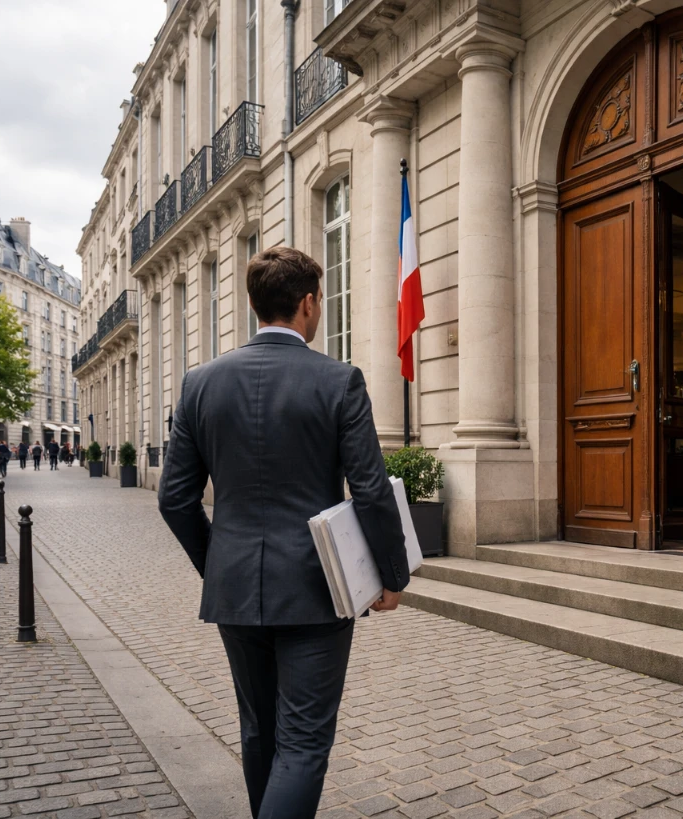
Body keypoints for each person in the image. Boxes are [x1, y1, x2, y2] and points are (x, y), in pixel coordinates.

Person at [158, 246, 408, 819]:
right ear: (309, 303)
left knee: (259, 731)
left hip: (236, 590)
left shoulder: (200, 382)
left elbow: (175, 500)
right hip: (317, 592)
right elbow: (370, 491)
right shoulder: (339, 380)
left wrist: (220, 561)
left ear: (253, 305)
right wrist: (392, 577)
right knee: (302, 743)